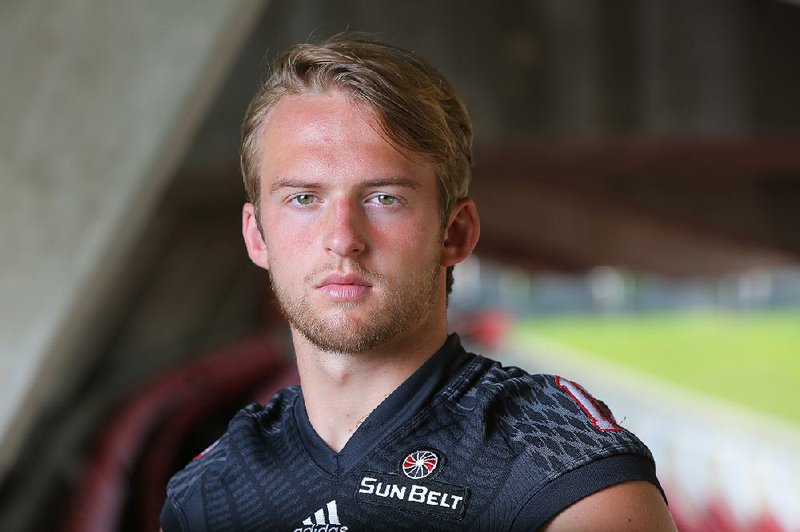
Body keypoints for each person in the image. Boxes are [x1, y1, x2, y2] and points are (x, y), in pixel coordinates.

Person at [161, 33, 676, 531]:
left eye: (383, 198)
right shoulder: (210, 491)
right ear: (257, 236)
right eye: (303, 198)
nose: (342, 239)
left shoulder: (561, 465)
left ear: (455, 233)